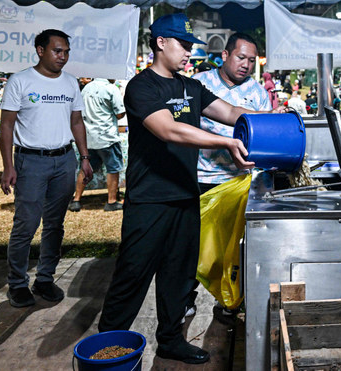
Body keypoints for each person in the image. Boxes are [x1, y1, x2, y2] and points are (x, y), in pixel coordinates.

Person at [97, 14, 273, 364]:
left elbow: (231, 110)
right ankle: (107, 349)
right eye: (183, 45)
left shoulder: (190, 87)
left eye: (191, 46)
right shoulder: (141, 87)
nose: (188, 53)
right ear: (161, 42)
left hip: (185, 198)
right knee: (132, 275)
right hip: (149, 201)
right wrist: (225, 143)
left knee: (178, 276)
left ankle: (170, 339)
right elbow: (169, 130)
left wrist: (277, 124)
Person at [0, 29, 93, 308]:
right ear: (40, 50)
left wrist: (84, 157)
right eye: (57, 51)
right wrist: (7, 167)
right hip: (31, 161)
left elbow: (77, 122)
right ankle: (17, 284)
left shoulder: (70, 83)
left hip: (64, 160)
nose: (63, 57)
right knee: (26, 224)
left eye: (66, 52)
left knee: (55, 224)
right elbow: (6, 125)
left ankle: (45, 279)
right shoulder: (21, 81)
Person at [194, 32, 282, 193]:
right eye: (240, 57)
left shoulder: (258, 92)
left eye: (251, 60)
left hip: (241, 180)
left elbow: (265, 135)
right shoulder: (199, 82)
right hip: (202, 178)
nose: (246, 65)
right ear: (225, 55)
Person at [68, 78, 126, 212]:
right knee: (113, 168)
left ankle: (76, 200)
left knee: (86, 168)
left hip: (88, 137)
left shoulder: (86, 88)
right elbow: (119, 113)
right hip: (107, 137)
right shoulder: (111, 89)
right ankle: (111, 201)